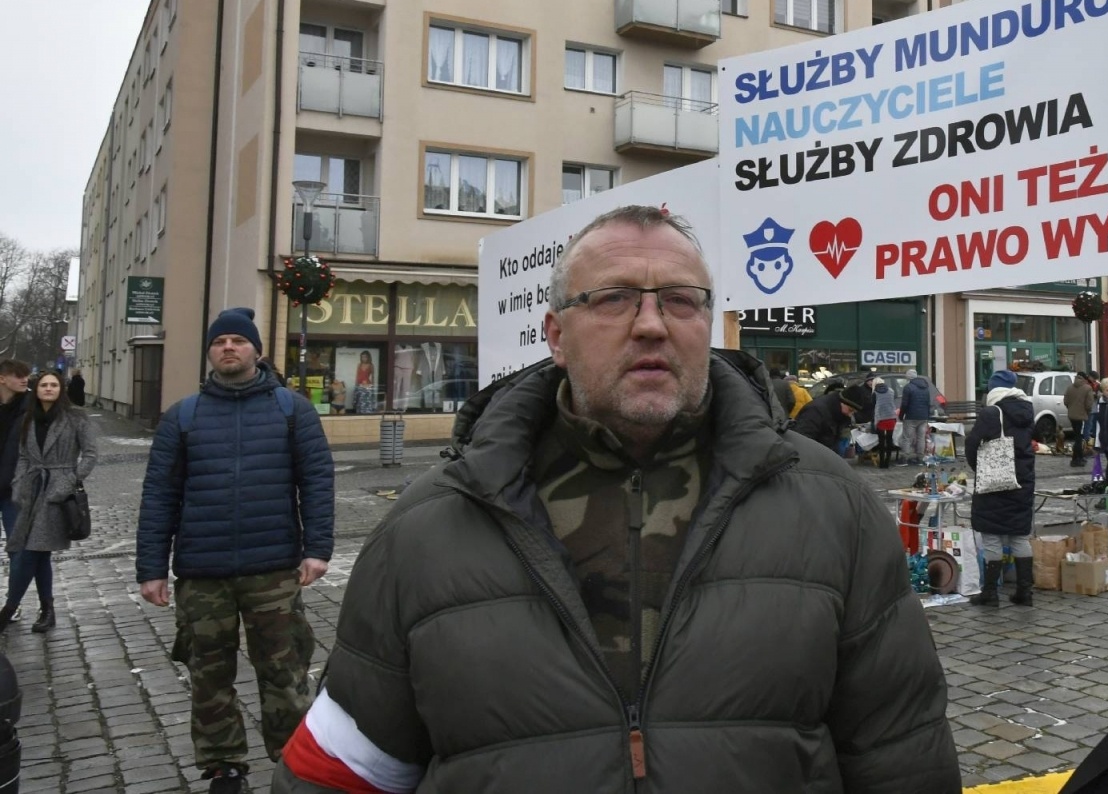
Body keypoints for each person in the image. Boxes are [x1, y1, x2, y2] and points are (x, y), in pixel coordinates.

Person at [273, 205, 958, 793]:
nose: (653, 325)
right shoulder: (429, 527)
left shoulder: (832, 507)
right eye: (613, 299)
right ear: (554, 336)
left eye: (681, 300)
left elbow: (902, 755)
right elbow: (342, 769)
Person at [136, 307, 334, 794]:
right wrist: (151, 568)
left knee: (285, 673)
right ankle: (224, 767)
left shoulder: (292, 410)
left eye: (238, 341)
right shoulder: (183, 416)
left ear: (257, 351)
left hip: (273, 571)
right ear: (210, 352)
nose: (229, 347)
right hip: (203, 574)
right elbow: (160, 494)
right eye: (220, 341)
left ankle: (295, 763)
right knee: (209, 677)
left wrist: (318, 548)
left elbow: (316, 481)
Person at [1, 369, 98, 633]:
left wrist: (69, 481)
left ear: (61, 389)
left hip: (56, 492)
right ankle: (47, 609)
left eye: (54, 385)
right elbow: (22, 454)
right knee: (38, 553)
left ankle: (9, 608)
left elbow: (90, 455)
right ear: (38, 388)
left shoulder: (76, 416)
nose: (48, 389)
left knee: (31, 550)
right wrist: (20, 483)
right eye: (44, 384)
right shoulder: (30, 419)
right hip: (30, 489)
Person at [964, 370, 1036, 606]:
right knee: (1019, 535)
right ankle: (1025, 592)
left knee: (992, 537)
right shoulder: (1027, 410)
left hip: (995, 481)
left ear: (994, 390)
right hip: (1022, 481)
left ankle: (990, 593)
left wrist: (980, 468)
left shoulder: (991, 412)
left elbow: (973, 444)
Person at [0, 361, 31, 548]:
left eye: (26, 375)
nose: (25, 380)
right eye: (18, 376)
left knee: (18, 547)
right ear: (2, 379)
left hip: (15, 490)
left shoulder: (32, 407)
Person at [790, 382, 870, 451]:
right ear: (842, 402)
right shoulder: (817, 410)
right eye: (850, 410)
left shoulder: (837, 413)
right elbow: (802, 438)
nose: (850, 414)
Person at [899, 368, 934, 464]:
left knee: (907, 437)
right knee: (921, 437)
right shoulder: (925, 387)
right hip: (923, 417)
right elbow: (928, 403)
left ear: (908, 377)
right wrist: (927, 415)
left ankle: (904, 458)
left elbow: (904, 404)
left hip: (911, 416)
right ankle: (920, 458)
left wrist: (901, 415)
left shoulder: (908, 387)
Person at [1064, 372, 1096, 465]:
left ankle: (1076, 458)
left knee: (1077, 436)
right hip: (1082, 416)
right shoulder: (1087, 388)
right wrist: (1087, 412)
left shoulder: (1069, 387)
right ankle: (1078, 459)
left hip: (1072, 415)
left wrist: (1070, 408)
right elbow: (1089, 404)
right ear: (1085, 379)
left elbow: (1065, 401)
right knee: (1079, 438)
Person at [871, 377, 899, 468]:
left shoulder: (875, 393)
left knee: (881, 441)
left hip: (880, 418)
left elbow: (873, 406)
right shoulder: (891, 391)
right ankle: (887, 462)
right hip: (891, 417)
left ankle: (882, 462)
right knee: (889, 440)